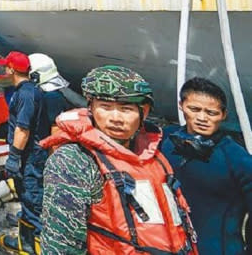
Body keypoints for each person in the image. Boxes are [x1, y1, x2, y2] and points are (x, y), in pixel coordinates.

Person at [40, 66, 197, 255]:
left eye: (126, 109)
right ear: (90, 108)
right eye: (105, 107)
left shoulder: (153, 155)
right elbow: (61, 245)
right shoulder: (74, 160)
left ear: (144, 113)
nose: (115, 118)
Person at [161, 77, 252, 255]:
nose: (202, 118)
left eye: (211, 113)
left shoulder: (237, 159)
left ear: (224, 115)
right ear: (181, 105)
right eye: (194, 109)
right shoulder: (163, 141)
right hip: (163, 247)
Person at [0, 51, 46, 254]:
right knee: (29, 197)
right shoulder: (31, 90)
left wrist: (14, 156)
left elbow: (23, 128)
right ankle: (25, 240)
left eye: (5, 66)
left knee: (31, 197)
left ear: (11, 69)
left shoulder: (25, 94)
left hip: (29, 156)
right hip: (31, 155)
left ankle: (30, 247)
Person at [29, 53, 77, 136]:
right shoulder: (51, 92)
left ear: (35, 76)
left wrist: (54, 149)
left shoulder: (52, 97)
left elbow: (56, 128)